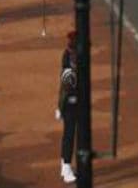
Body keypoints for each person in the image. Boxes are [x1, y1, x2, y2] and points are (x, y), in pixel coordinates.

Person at [56, 31, 78, 184]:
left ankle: (65, 165)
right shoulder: (69, 62)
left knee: (70, 134)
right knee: (69, 135)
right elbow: (65, 88)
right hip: (70, 104)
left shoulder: (70, 57)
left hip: (74, 102)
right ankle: (67, 166)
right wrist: (60, 108)